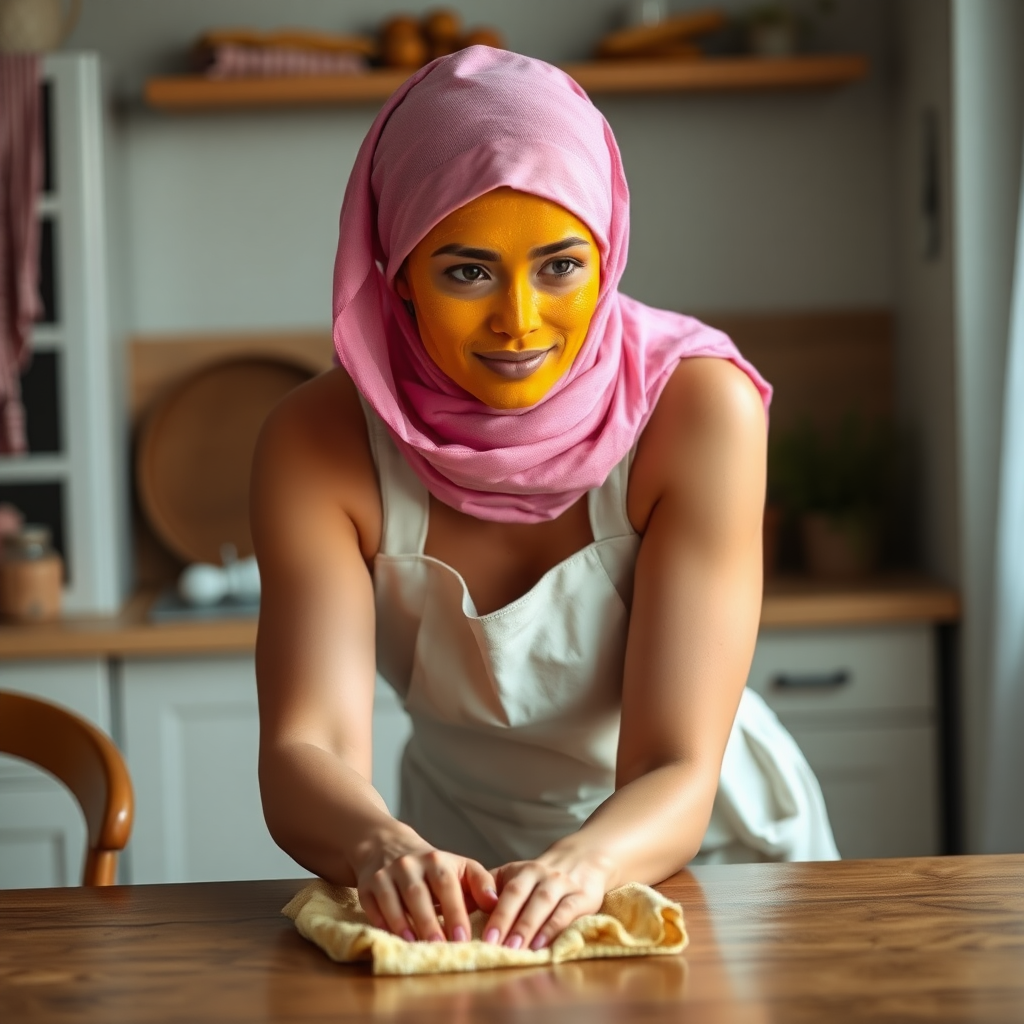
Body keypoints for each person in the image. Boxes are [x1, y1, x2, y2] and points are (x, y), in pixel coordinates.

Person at [251, 46, 838, 955]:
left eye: (561, 266)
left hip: (705, 857)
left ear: (607, 253)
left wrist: (583, 868)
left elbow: (674, 763)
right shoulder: (315, 444)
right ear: (398, 267)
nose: (519, 321)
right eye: (468, 271)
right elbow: (307, 748)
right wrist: (381, 849)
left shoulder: (697, 410)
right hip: (448, 868)